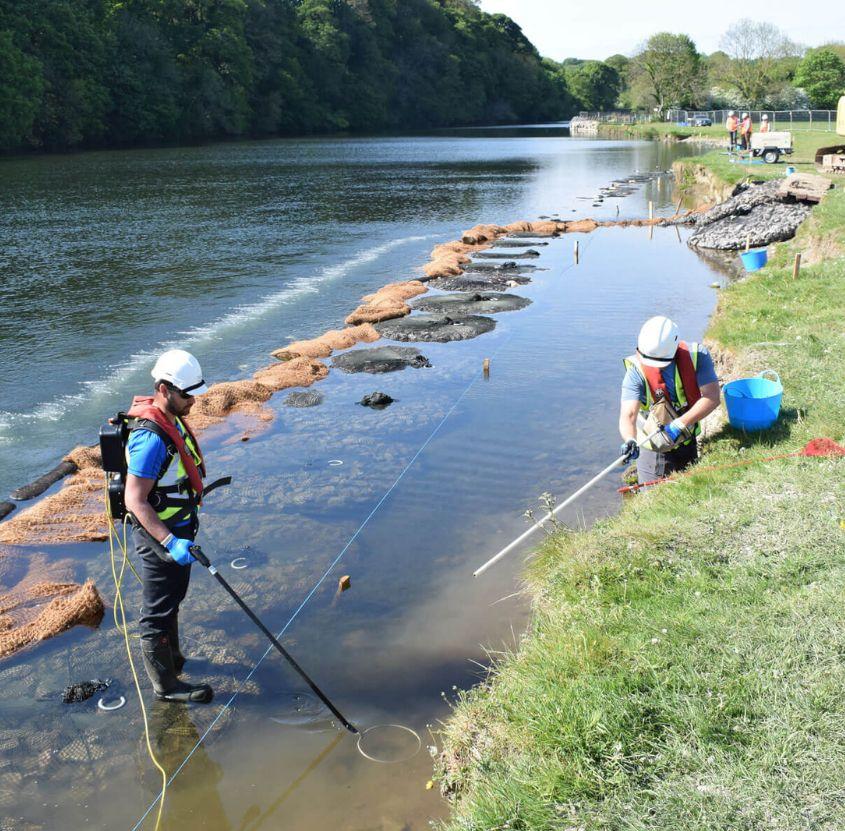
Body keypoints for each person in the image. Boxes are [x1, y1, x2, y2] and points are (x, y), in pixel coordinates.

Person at [124, 349, 220, 704]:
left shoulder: (171, 416)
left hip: (178, 531)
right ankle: (166, 686)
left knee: (173, 599)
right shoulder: (151, 439)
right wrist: (169, 542)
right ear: (164, 389)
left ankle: (174, 661)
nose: (193, 400)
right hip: (160, 538)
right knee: (157, 612)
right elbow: (135, 500)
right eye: (187, 394)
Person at [618, 316, 721, 485]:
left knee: (690, 490)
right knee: (654, 500)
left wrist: (679, 424)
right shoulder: (636, 371)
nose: (654, 366)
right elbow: (628, 414)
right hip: (653, 448)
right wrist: (630, 439)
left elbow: (712, 397)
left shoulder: (697, 356)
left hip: (687, 440)